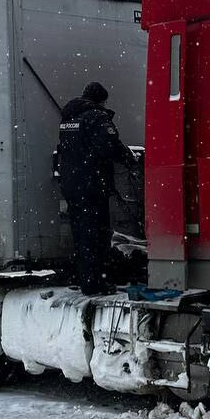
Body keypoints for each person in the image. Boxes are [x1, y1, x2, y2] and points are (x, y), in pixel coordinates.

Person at [57, 82, 135, 295]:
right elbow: (109, 146)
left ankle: (81, 277)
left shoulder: (68, 118)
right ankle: (95, 284)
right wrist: (129, 158)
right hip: (91, 185)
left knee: (81, 233)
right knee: (96, 234)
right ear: (101, 99)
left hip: (72, 185)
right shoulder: (97, 117)